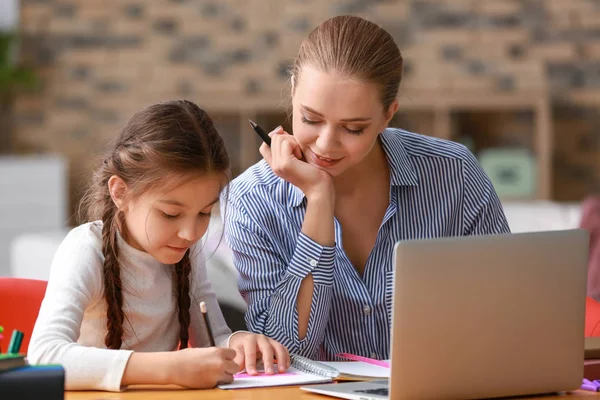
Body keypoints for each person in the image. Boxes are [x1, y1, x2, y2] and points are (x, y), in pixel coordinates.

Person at [222, 15, 510, 361]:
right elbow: (285, 352)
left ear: (389, 114)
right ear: (293, 91)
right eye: (310, 119)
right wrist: (318, 200)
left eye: (354, 128)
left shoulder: (454, 173)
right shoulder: (253, 199)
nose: (326, 145)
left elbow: (504, 310)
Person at [28, 100, 290, 391]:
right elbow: (44, 357)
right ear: (120, 192)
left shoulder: (188, 252)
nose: (191, 233)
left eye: (204, 213)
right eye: (170, 214)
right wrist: (169, 368)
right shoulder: (85, 251)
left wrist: (239, 343)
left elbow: (213, 340)